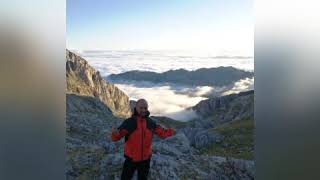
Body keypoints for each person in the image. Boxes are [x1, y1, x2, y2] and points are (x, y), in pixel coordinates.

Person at [111, 99, 176, 180]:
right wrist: (115, 134)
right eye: (141, 108)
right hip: (131, 159)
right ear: (136, 108)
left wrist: (172, 132)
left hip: (145, 159)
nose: (143, 110)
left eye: (145, 108)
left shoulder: (150, 123)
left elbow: (162, 133)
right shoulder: (129, 122)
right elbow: (116, 137)